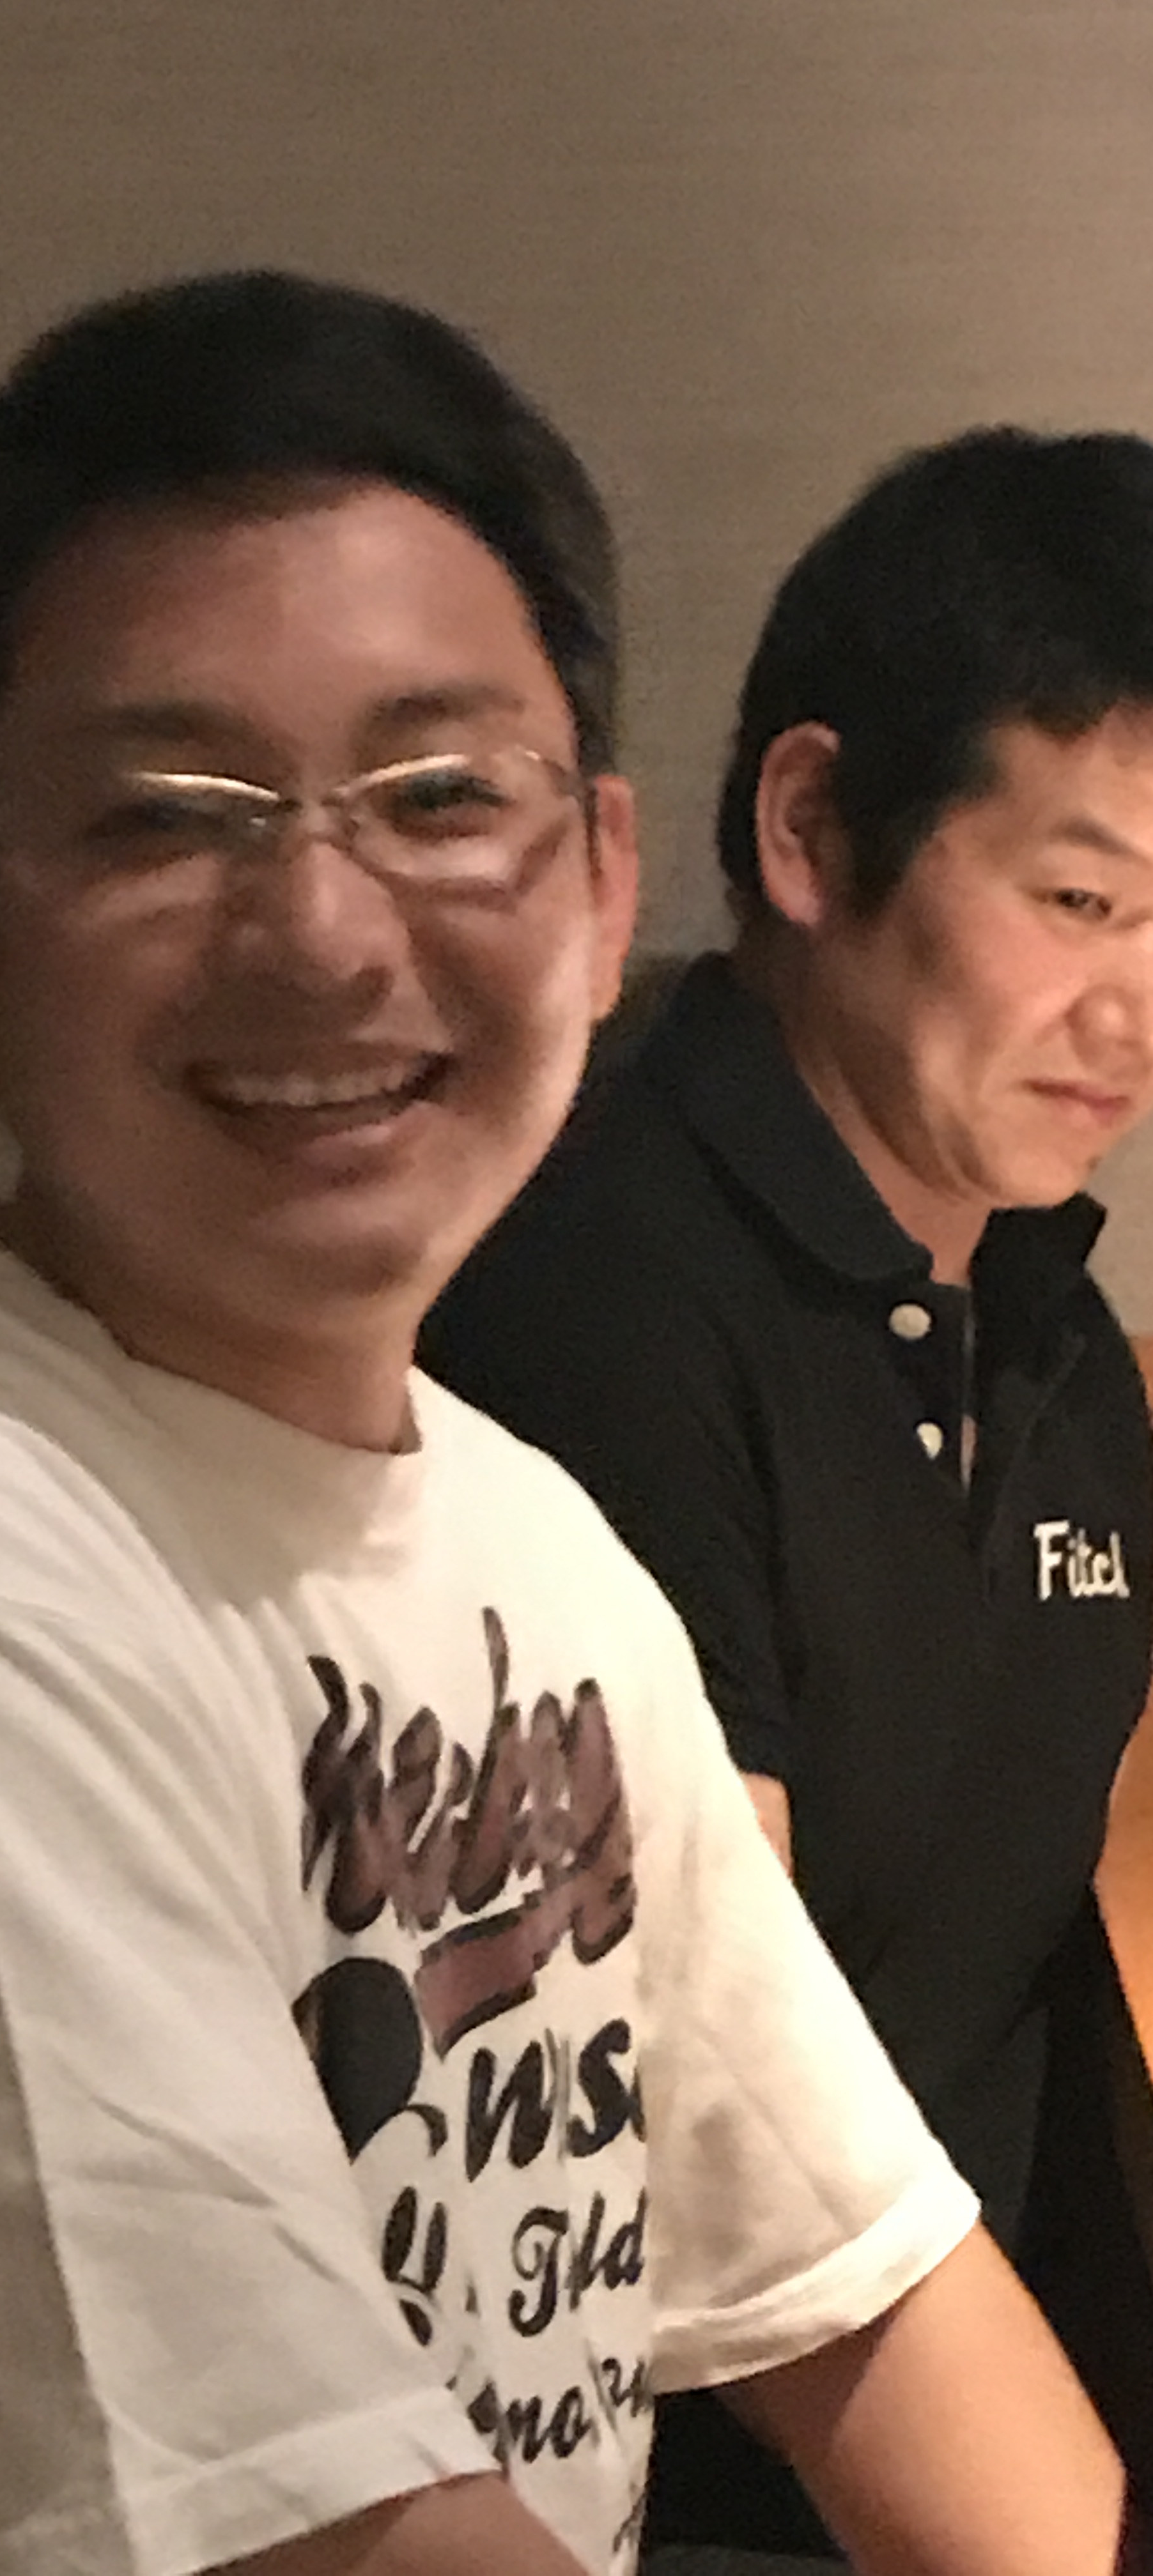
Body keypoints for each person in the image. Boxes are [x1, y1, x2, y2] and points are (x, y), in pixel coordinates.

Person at [0, 278, 1138, 2576]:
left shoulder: (525, 1550)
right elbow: (311, 2536)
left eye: (442, 798)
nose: (326, 935)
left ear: (602, 883)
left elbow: (876, 2297)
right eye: (168, 816)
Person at [423, 424, 1153, 2566]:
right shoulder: (603, 1294)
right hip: (706, 2476)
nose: (1134, 1011)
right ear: (812, 827)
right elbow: (705, 2105)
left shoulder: (1038, 1307)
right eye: (1083, 902)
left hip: (985, 2383)